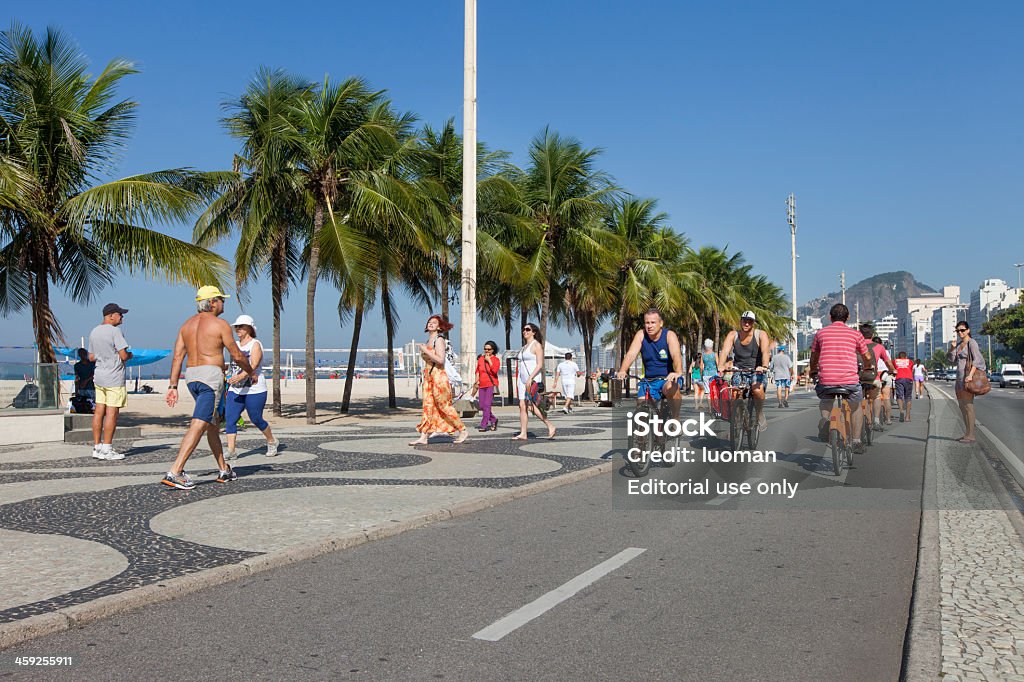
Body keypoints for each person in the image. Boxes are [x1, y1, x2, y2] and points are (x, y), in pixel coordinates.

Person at [162, 286, 254, 490]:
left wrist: (173, 385)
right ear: (212, 302)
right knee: (199, 422)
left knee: (212, 423)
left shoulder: (186, 325)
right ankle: (175, 471)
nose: (223, 303)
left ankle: (224, 469)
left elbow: (178, 357)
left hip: (192, 377)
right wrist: (251, 372)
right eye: (221, 299)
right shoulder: (220, 325)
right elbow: (237, 355)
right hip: (210, 378)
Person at [809, 303, 874, 454]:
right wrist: (868, 367)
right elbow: (867, 356)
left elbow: (814, 356)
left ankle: (825, 421)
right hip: (849, 382)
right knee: (856, 407)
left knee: (826, 400)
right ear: (848, 317)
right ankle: (857, 441)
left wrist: (813, 370)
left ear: (830, 317)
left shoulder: (820, 333)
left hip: (826, 380)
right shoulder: (855, 334)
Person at [224, 315, 280, 459]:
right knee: (230, 418)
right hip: (235, 388)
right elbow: (232, 364)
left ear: (249, 328)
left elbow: (253, 365)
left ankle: (271, 441)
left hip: (254, 388)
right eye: (236, 326)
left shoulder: (255, 344)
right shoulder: (234, 345)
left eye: (241, 326)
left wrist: (240, 376)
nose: (238, 329)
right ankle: (231, 450)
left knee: (256, 418)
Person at [615, 308, 684, 420]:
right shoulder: (641, 335)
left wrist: (678, 372)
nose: (649, 326)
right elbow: (631, 354)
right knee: (641, 407)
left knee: (672, 388)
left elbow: (676, 355)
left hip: (668, 379)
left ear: (661, 323)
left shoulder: (669, 335)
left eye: (653, 322)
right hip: (649, 380)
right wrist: (623, 370)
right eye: (647, 322)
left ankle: (676, 419)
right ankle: (642, 437)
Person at [410, 315, 468, 445]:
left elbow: (440, 359)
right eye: (429, 322)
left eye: (434, 322)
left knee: (444, 405)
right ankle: (423, 437)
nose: (430, 324)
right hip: (428, 376)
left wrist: (425, 350)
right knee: (427, 406)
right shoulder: (428, 340)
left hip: (439, 377)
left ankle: (462, 429)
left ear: (439, 326)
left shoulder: (439, 340)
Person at [88, 303, 133, 460]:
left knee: (99, 410)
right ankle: (107, 448)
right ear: (111, 315)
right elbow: (123, 355)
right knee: (112, 412)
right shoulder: (115, 331)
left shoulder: (94, 331)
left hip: (99, 375)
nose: (122, 317)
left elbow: (91, 357)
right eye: (120, 314)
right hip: (113, 377)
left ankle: (97, 446)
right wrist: (130, 355)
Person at [718, 311, 771, 431]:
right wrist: (721, 366)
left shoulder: (760, 335)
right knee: (735, 395)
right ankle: (737, 424)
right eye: (744, 320)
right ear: (740, 321)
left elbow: (765, 352)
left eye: (750, 321)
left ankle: (759, 414)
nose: (746, 323)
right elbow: (725, 351)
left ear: (753, 323)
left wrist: (764, 366)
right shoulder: (733, 335)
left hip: (756, 370)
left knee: (757, 389)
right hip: (739, 370)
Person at [513, 323, 556, 440]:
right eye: (523, 329)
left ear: (534, 332)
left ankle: (549, 425)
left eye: (527, 329)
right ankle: (523, 433)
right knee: (522, 406)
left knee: (531, 406)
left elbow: (540, 364)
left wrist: (531, 377)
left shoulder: (536, 345)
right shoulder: (523, 347)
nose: (525, 331)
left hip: (531, 380)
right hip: (521, 380)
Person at [949, 321, 985, 443]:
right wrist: (952, 348)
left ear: (968, 330)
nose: (960, 332)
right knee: (962, 406)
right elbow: (952, 360)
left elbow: (977, 360)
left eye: (962, 330)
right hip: (959, 379)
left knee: (968, 406)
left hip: (967, 379)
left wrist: (970, 375)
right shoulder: (959, 344)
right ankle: (967, 433)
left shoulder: (972, 343)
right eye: (958, 330)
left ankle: (971, 435)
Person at [857, 325, 896, 432]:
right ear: (872, 335)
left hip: (857, 378)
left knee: (857, 399)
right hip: (873, 378)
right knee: (877, 397)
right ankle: (876, 421)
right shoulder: (879, 347)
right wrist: (893, 370)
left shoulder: (855, 345)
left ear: (860, 335)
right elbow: (888, 362)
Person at [473, 340, 501, 431]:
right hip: (482, 384)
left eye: (489, 349)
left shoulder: (495, 360)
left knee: (487, 405)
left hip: (491, 384)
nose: (487, 351)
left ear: (493, 350)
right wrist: (476, 381)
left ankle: (483, 425)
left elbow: (494, 371)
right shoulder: (481, 359)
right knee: (481, 405)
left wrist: (489, 361)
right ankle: (493, 419)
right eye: (485, 349)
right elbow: (478, 371)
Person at [874, 337, 897, 427]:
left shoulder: (869, 349)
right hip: (884, 374)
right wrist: (894, 371)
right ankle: (888, 419)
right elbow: (889, 363)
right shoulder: (885, 351)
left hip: (874, 375)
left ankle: (875, 419)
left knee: (875, 397)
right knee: (887, 398)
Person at [893, 351, 915, 422]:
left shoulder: (895, 361)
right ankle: (907, 416)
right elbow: (911, 370)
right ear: (906, 357)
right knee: (908, 397)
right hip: (908, 378)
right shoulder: (910, 361)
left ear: (899, 357)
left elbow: (893, 369)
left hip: (899, 378)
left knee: (899, 396)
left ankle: (901, 411)